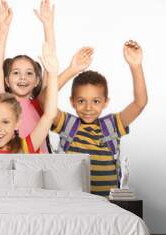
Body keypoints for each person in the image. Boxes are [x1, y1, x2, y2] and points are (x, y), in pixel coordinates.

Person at [0, 0, 94, 153]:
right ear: (6, 80)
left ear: (36, 81)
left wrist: (48, 25)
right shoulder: (2, 102)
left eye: (29, 73)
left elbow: (50, 60)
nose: (22, 77)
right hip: (13, 166)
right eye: (16, 73)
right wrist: (3, 32)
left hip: (41, 166)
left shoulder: (39, 103)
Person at [52, 40, 148, 196]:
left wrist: (135, 66)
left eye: (95, 101)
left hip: (106, 209)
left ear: (105, 102)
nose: (88, 108)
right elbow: (43, 102)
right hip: (71, 205)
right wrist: (71, 70)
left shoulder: (112, 125)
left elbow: (140, 103)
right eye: (81, 101)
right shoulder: (66, 124)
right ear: (72, 102)